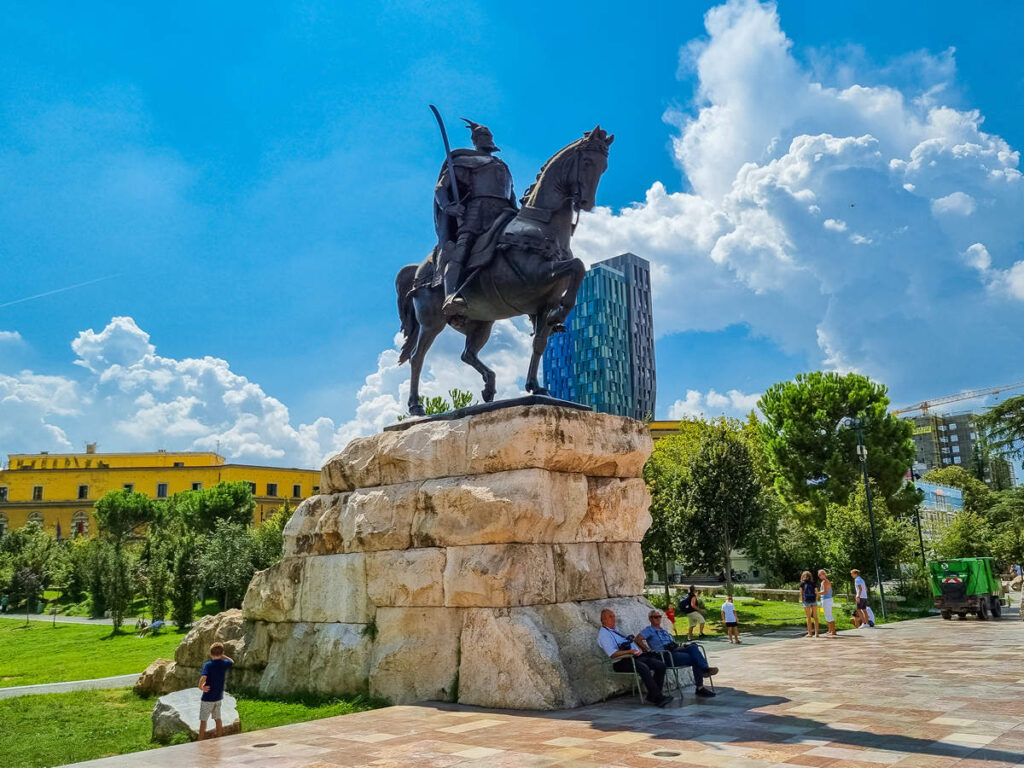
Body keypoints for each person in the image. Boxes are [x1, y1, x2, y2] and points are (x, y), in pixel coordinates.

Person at [433, 119, 518, 317]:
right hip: (477, 211)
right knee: (462, 248)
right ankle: (450, 296)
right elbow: (441, 188)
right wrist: (448, 206)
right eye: (482, 136)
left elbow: (511, 194)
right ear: (475, 140)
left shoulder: (502, 166)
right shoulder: (464, 162)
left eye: (488, 135)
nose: (487, 139)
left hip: (506, 210)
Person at [596, 609, 674, 707]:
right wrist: (630, 651)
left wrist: (637, 649)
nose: (613, 618)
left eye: (613, 616)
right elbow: (612, 654)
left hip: (633, 657)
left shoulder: (615, 630)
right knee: (643, 668)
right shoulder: (604, 635)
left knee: (660, 665)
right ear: (603, 620)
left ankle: (652, 695)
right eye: (610, 617)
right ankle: (658, 698)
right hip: (621, 662)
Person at [640, 609, 717, 697]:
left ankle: (704, 670)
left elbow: (673, 645)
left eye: (659, 617)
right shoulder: (649, 630)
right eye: (655, 617)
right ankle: (701, 681)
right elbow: (637, 639)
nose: (658, 619)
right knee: (695, 659)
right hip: (666, 655)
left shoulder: (664, 631)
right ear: (650, 619)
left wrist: (683, 646)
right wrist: (647, 649)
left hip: (675, 650)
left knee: (693, 646)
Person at [198, 642, 235, 740]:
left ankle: (200, 740)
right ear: (222, 652)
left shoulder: (208, 665)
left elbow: (204, 677)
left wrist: (200, 686)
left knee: (203, 720)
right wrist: (223, 656)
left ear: (210, 653)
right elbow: (232, 661)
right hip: (218, 697)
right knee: (217, 718)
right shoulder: (224, 663)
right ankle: (219, 737)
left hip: (207, 698)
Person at [817, 569, 836, 637]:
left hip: (827, 600)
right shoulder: (824, 581)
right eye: (818, 575)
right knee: (827, 615)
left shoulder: (825, 581)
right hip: (826, 600)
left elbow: (825, 592)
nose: (819, 576)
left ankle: (833, 631)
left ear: (824, 574)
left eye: (820, 575)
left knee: (829, 615)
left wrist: (817, 593)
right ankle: (830, 630)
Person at [800, 571, 819, 638]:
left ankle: (810, 633)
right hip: (813, 601)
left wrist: (802, 601)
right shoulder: (813, 583)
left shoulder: (802, 583)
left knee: (808, 618)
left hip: (806, 601)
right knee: (815, 617)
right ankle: (816, 633)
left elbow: (801, 593)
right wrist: (816, 599)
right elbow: (816, 592)